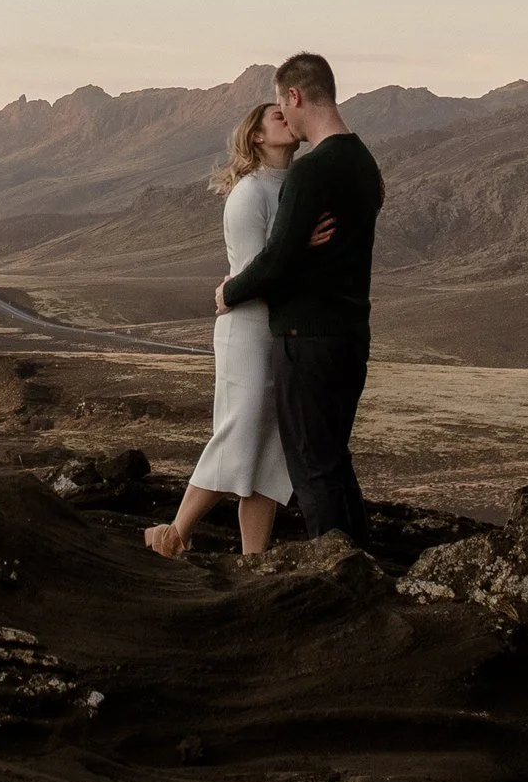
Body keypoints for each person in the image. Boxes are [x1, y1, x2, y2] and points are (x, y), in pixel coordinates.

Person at [143, 101, 332, 560]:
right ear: (256, 137)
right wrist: (301, 249)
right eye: (275, 116)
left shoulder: (294, 186)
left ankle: (253, 557)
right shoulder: (250, 194)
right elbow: (254, 276)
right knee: (239, 433)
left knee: (269, 449)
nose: (286, 117)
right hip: (248, 333)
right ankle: (173, 534)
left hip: (281, 333)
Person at [213, 52, 384, 548]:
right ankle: (362, 569)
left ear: (294, 96)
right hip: (351, 334)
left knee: (312, 470)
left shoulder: (312, 172)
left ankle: (338, 577)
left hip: (307, 340)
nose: (282, 116)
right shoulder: (362, 162)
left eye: (282, 104)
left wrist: (230, 292)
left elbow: (276, 261)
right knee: (334, 460)